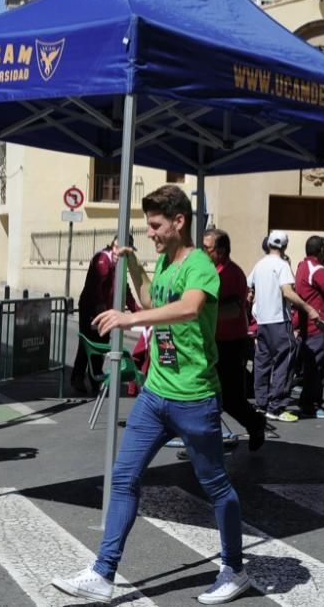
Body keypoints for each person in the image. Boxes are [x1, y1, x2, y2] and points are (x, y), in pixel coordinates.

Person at [53, 185, 250, 605]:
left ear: (179, 222)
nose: (151, 233)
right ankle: (103, 574)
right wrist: (134, 268)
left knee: (215, 485)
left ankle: (234, 568)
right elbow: (151, 297)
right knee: (124, 478)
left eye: (156, 225)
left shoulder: (200, 265)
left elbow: (190, 308)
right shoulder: (162, 261)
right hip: (154, 394)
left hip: (194, 397)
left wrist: (130, 318)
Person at [202, 228, 266, 450]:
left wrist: (199, 311)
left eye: (206, 248)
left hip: (229, 343)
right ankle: (203, 442)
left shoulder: (230, 274)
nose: (202, 252)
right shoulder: (212, 271)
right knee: (206, 393)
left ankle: (255, 422)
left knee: (230, 398)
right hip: (213, 341)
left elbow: (232, 309)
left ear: (220, 251)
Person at [247, 230, 318, 422]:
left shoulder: (260, 264)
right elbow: (287, 292)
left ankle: (261, 404)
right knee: (285, 362)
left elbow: (249, 286)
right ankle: (276, 407)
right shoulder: (282, 265)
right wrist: (308, 308)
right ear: (285, 246)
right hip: (279, 320)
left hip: (262, 321)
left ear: (269, 244)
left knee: (262, 362)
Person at [71, 235, 139, 394]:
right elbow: (96, 289)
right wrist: (102, 313)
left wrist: (137, 311)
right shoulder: (102, 259)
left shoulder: (118, 265)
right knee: (88, 343)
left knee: (100, 343)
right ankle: (79, 378)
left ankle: (94, 377)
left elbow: (124, 289)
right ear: (115, 246)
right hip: (90, 310)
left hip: (104, 311)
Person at [292, 235, 324, 419]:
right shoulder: (319, 271)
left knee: (309, 368)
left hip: (305, 325)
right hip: (318, 326)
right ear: (321, 250)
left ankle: (307, 403)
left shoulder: (302, 266)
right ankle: (312, 405)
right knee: (317, 369)